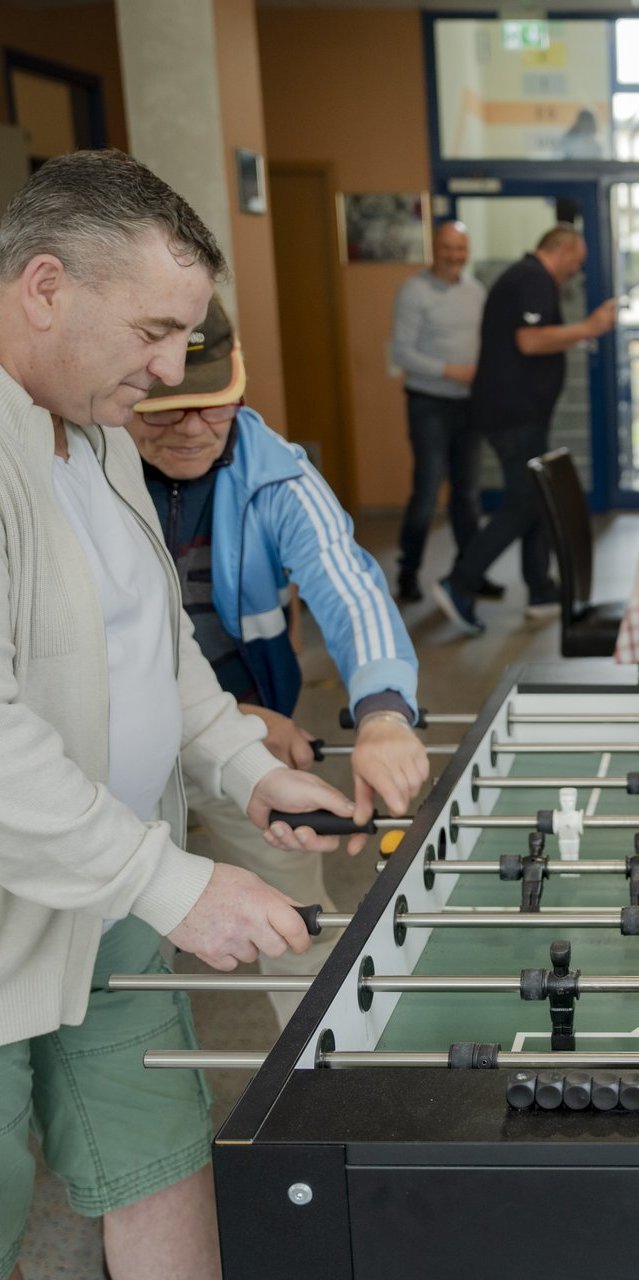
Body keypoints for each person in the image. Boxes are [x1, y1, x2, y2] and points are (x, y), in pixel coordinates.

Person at [0, 150, 360, 1280]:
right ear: (45, 287)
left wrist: (239, 762)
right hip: (23, 914)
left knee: (163, 1165)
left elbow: (156, 651)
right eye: (154, 330)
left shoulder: (101, 431)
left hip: (111, 894)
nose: (172, 370)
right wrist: (177, 881)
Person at [127, 294, 431, 1026]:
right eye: (166, 409)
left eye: (215, 405)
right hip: (123, 745)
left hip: (242, 746)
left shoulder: (278, 475)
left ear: (238, 380)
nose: (193, 429)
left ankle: (323, 1073)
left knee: (294, 910)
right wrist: (238, 715)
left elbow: (349, 584)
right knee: (123, 940)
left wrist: (384, 712)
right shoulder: (82, 471)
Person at [432, 224, 616, 635]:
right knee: (524, 501)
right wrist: (588, 328)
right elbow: (530, 341)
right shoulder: (532, 278)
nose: (576, 272)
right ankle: (460, 582)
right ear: (563, 252)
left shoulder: (526, 278)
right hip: (513, 413)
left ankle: (540, 590)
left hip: (519, 411)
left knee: (536, 496)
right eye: (577, 263)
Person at [388, 218, 500, 604]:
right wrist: (451, 372)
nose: (455, 255)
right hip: (429, 404)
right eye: (448, 248)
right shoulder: (414, 292)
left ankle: (470, 572)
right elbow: (402, 353)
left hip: (470, 405)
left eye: (461, 249)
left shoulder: (475, 290)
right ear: (435, 249)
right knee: (427, 491)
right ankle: (408, 573)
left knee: (468, 494)